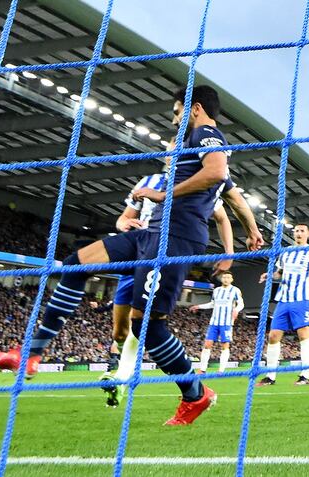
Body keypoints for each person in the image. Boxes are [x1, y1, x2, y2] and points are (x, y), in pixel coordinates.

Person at [0, 85, 264, 426]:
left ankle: (195, 394)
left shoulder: (207, 134)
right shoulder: (186, 149)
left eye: (177, 112)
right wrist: (251, 232)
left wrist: (163, 196)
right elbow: (235, 198)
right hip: (148, 235)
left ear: (194, 109)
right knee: (75, 264)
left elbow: (217, 173)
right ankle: (31, 354)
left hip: (174, 239)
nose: (174, 120)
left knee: (146, 325)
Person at [100, 140, 258, 407]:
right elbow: (122, 218)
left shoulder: (198, 187)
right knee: (121, 331)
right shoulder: (148, 181)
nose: (175, 156)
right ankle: (173, 384)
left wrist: (228, 252)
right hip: (133, 255)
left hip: (161, 256)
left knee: (144, 323)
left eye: (181, 152)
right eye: (172, 151)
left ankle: (123, 380)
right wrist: (124, 223)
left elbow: (222, 217)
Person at [256, 224, 309, 386]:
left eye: (302, 231)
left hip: (301, 299)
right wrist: (269, 275)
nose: (299, 233)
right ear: (293, 234)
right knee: (273, 336)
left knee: (303, 334)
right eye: (296, 231)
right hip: (283, 299)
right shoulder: (286, 252)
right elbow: (279, 273)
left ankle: (304, 375)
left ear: (308, 234)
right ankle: (270, 377)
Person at [190, 270, 244, 374]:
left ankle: (221, 370)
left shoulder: (235, 290)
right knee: (207, 344)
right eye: (224, 277)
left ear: (231, 279)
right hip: (214, 322)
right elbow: (212, 304)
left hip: (226, 323)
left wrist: (236, 310)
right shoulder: (216, 290)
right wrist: (199, 306)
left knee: (225, 345)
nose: (226, 279)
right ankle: (202, 369)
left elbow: (241, 304)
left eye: (228, 277)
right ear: (221, 278)